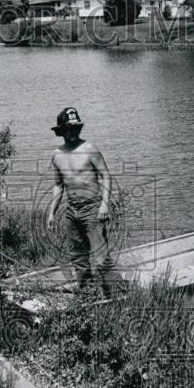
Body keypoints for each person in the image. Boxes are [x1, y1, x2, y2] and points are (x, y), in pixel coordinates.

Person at [46, 107, 125, 297]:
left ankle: (116, 294)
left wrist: (104, 205)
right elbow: (58, 185)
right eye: (68, 129)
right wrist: (51, 212)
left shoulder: (89, 149)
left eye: (76, 128)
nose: (73, 132)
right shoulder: (57, 154)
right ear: (61, 131)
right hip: (72, 211)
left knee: (100, 257)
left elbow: (106, 176)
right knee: (78, 257)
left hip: (92, 208)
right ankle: (87, 295)